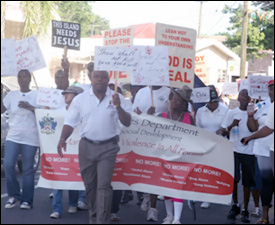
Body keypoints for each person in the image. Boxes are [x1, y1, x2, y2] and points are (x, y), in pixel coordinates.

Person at [57, 70, 132, 224]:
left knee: (103, 186)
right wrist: (62, 138)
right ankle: (93, 217)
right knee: (90, 186)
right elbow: (70, 121)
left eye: (103, 77)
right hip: (86, 147)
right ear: (90, 79)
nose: (100, 79)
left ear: (108, 80)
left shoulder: (117, 98)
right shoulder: (80, 99)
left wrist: (118, 107)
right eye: (96, 76)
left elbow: (127, 122)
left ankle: (102, 221)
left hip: (108, 147)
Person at [1, 69, 39, 210]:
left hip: (31, 136)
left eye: (24, 77)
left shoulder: (36, 94)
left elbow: (44, 112)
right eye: (19, 77)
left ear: (30, 79)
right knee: (9, 164)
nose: (22, 79)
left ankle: (27, 200)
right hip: (14, 135)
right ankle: (14, 195)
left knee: (28, 169)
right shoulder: (12, 95)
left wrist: (30, 107)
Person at [217, 89, 256, 223]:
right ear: (238, 98)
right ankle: (235, 205)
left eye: (247, 95)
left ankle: (245, 209)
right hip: (233, 150)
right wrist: (232, 125)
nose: (245, 97)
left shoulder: (254, 112)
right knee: (234, 180)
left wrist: (251, 116)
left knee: (247, 182)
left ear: (250, 98)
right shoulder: (231, 113)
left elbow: (254, 129)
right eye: (242, 94)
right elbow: (223, 131)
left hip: (249, 151)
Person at [133, 85, 170, 222]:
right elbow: (134, 115)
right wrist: (143, 115)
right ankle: (146, 194)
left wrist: (158, 116)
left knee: (156, 173)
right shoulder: (141, 92)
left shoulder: (169, 92)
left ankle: (153, 209)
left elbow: (174, 115)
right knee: (145, 171)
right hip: (144, 138)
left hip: (162, 139)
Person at [161, 85, 195, 224]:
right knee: (166, 188)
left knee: (179, 187)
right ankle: (169, 216)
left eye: (178, 100)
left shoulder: (189, 117)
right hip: (165, 157)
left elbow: (195, 136)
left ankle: (177, 219)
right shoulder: (162, 116)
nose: (174, 101)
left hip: (182, 158)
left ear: (184, 104)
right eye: (173, 99)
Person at [50, 85, 84, 219]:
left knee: (73, 176)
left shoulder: (82, 112)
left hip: (76, 150)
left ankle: (73, 203)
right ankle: (56, 208)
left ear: (77, 97)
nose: (65, 96)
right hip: (59, 149)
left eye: (68, 94)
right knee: (58, 176)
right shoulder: (57, 111)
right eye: (64, 94)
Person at [243, 80, 274, 224]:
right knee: (266, 182)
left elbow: (269, 129)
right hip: (263, 149)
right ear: (268, 90)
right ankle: (265, 215)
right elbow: (253, 128)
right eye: (272, 88)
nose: (273, 91)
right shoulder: (261, 105)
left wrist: (250, 138)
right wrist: (250, 116)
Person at [196, 88, 228, 209]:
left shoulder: (225, 110)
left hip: (219, 145)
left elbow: (225, 127)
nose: (213, 104)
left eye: (215, 101)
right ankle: (206, 196)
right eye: (210, 102)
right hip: (204, 145)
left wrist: (223, 130)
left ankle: (217, 192)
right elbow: (198, 127)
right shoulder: (200, 111)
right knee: (205, 171)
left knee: (217, 172)